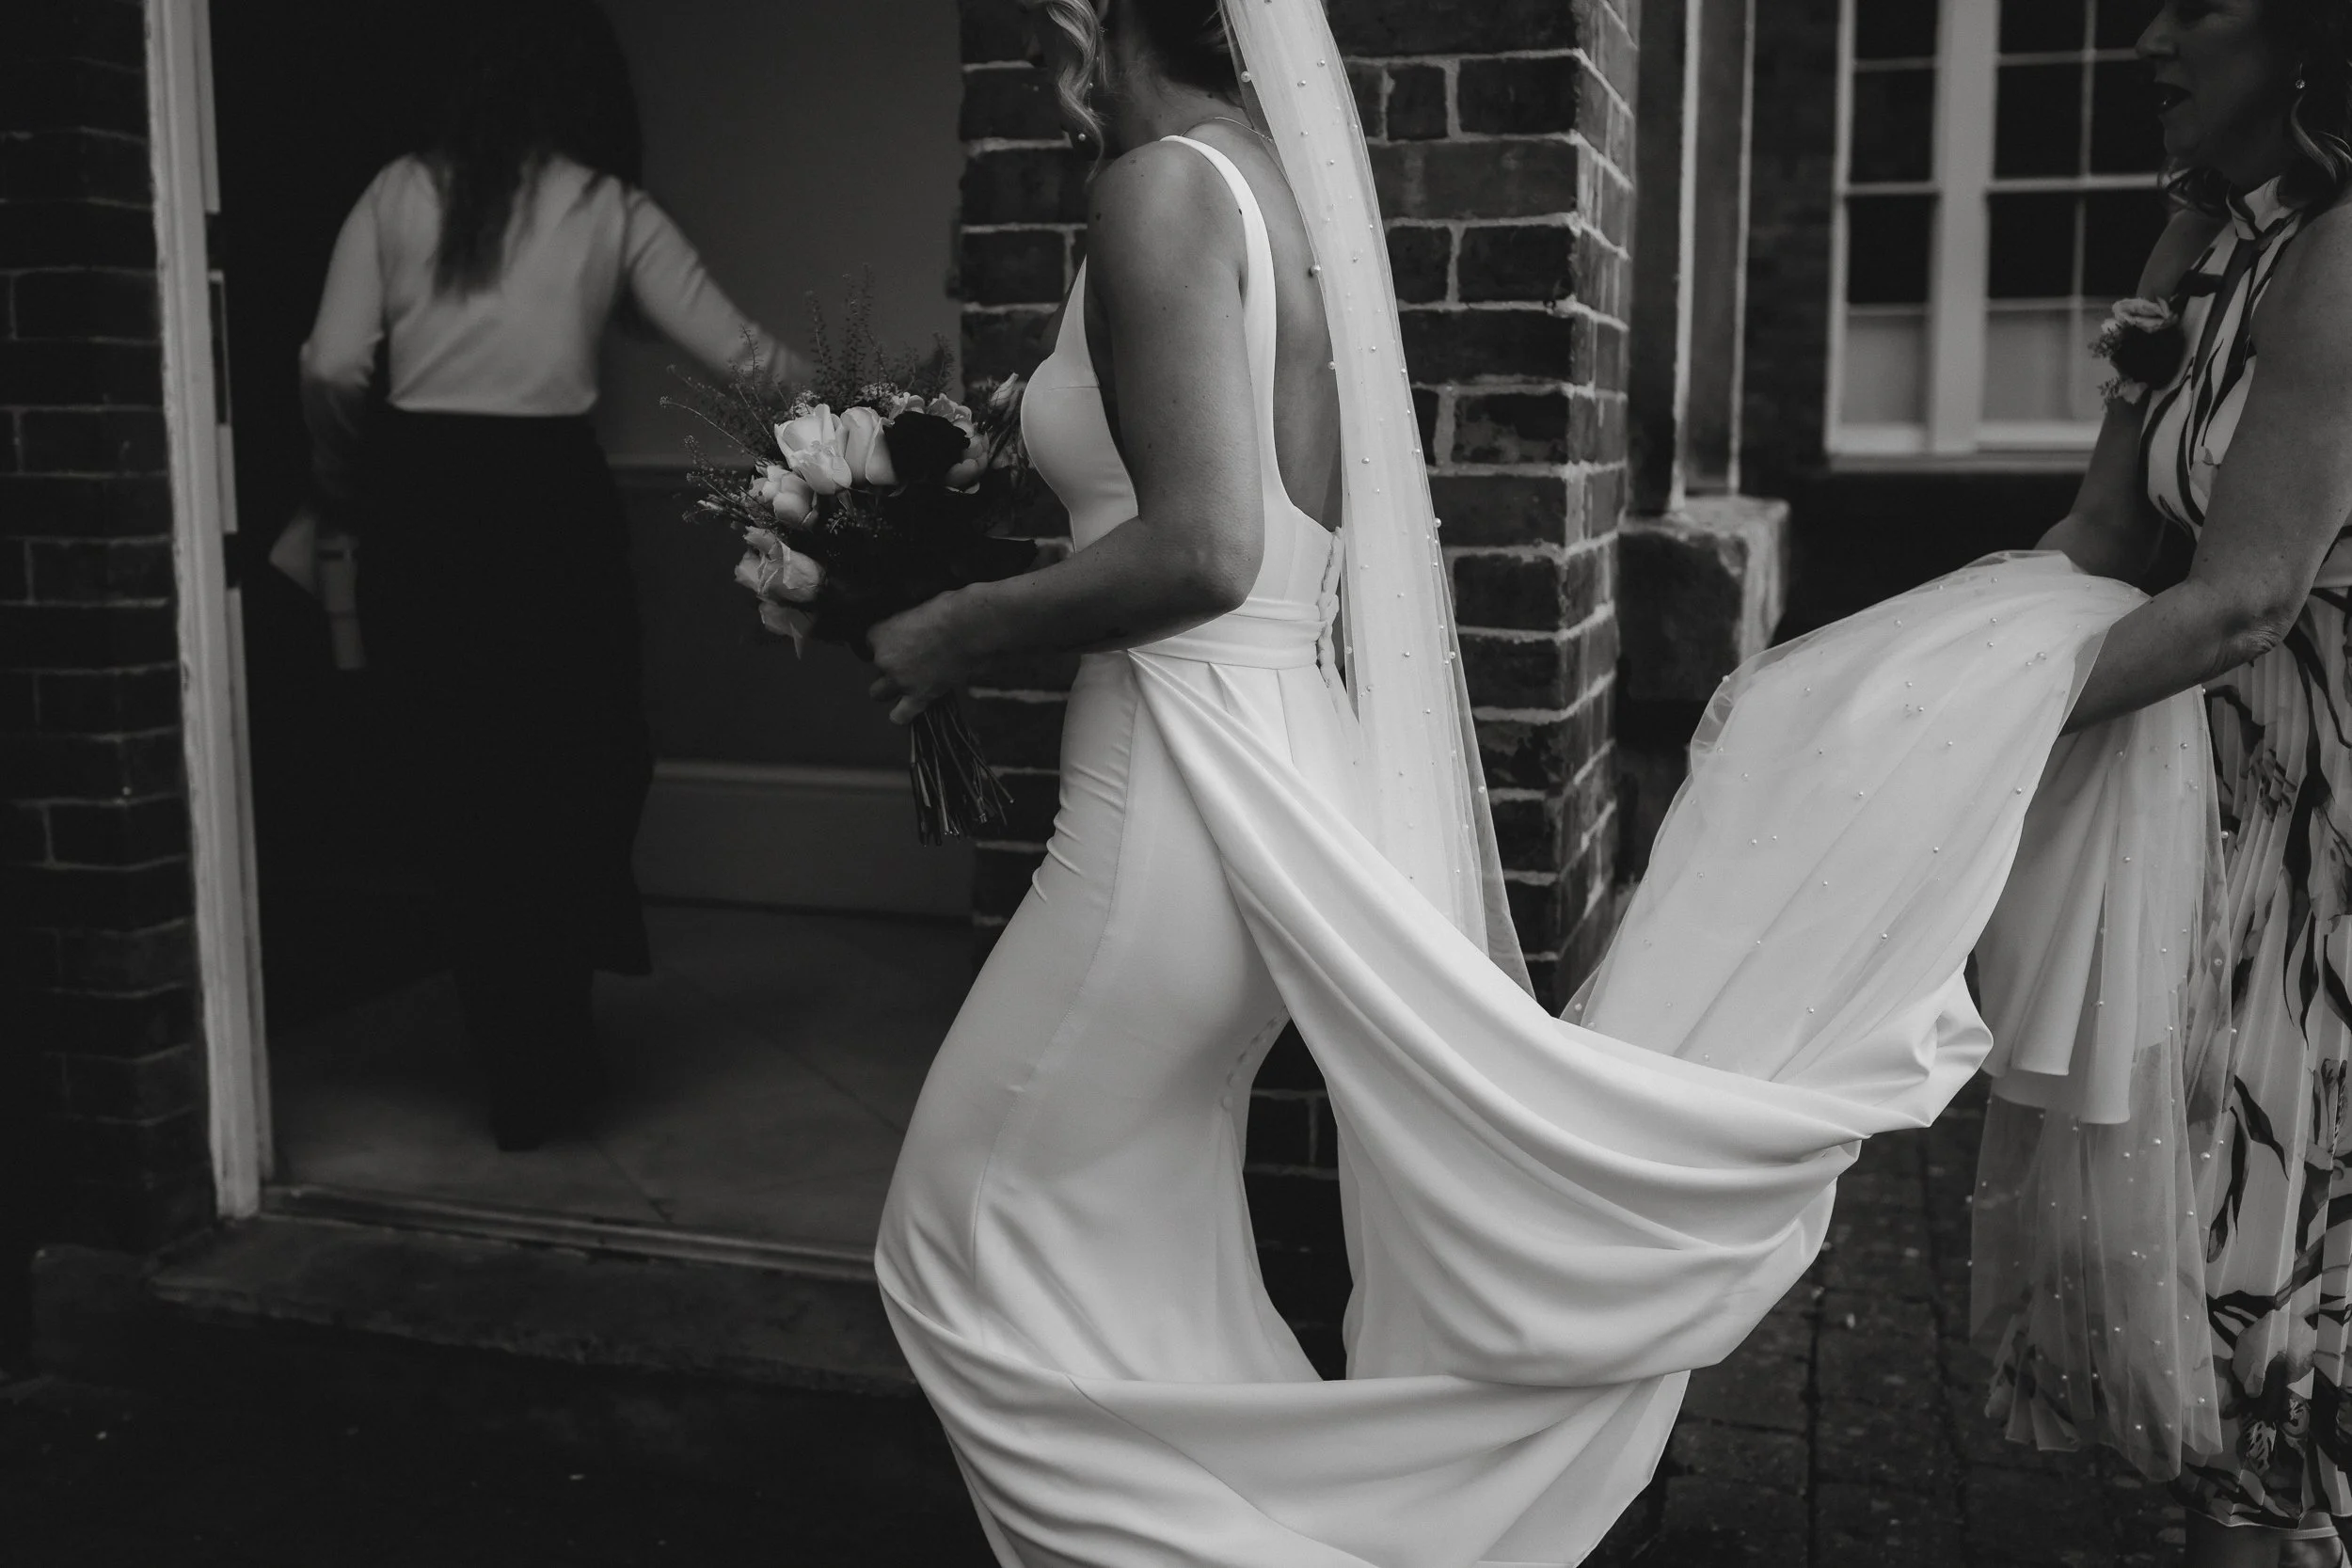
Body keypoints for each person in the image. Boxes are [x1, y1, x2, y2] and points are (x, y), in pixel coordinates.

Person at [804, 0, 2218, 1561]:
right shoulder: (1266, 181)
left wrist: (957, 623)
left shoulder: (1157, 190)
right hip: (1263, 784)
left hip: (1171, 802)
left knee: (957, 1240)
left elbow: (1206, 549)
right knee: (1141, 1272)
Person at [1979, 3, 2352, 1564]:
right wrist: (1922, 661)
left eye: (2194, 4)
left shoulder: (2343, 259)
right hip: (2198, 790)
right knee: (2194, 1270)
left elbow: (2248, 595)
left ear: (2309, 35)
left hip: (2320, 829)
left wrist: (1969, 738)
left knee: (2263, 1288)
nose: (2145, 37)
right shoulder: (2218, 241)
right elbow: (2110, 535)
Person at [299, 0, 797, 1152]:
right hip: (548, 512)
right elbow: (747, 359)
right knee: (585, 761)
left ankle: (521, 1053)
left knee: (464, 781)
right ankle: (549, 1038)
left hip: (423, 508)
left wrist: (348, 477)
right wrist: (882, 416)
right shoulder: (605, 205)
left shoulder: (395, 191)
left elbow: (330, 365)